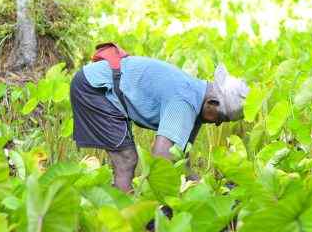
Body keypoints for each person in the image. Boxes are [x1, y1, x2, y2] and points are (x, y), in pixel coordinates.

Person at [69, 45, 249, 193]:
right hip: (95, 87)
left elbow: (179, 160)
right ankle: (123, 217)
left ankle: (121, 204)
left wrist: (204, 187)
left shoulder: (198, 97)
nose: (217, 124)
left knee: (127, 160)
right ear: (212, 102)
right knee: (127, 159)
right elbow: (161, 159)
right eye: (221, 119)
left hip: (103, 83)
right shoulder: (185, 101)